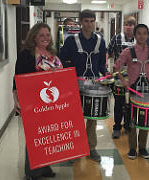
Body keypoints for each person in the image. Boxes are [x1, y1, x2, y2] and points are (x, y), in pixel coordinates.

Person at [13, 23, 62, 180]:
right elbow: (17, 80)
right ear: (34, 36)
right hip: (33, 103)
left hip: (51, 102)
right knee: (35, 138)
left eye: (48, 35)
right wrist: (17, 100)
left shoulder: (52, 52)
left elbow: (60, 77)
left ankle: (45, 167)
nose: (45, 38)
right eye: (42, 35)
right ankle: (31, 173)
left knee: (48, 136)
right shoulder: (26, 54)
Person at [59, 9, 109, 163]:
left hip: (93, 83)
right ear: (80, 21)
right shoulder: (70, 40)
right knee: (75, 118)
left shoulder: (100, 41)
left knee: (92, 118)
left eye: (92, 21)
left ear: (95, 22)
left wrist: (107, 75)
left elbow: (101, 64)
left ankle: (91, 148)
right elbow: (61, 60)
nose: (89, 24)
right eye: (86, 21)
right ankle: (74, 150)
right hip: (75, 83)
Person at [113, 24, 149, 159]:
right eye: (139, 33)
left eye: (145, 33)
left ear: (148, 35)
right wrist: (123, 80)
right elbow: (116, 67)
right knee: (132, 120)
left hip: (147, 90)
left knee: (145, 119)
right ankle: (132, 148)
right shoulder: (128, 52)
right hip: (132, 90)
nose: (142, 36)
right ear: (135, 35)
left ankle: (143, 148)